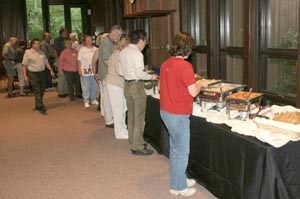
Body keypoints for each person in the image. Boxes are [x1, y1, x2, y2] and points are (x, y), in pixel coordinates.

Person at [159, 32, 208, 196]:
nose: (191, 51)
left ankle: (179, 178)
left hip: (166, 111)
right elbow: (193, 92)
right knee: (181, 150)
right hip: (178, 114)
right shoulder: (185, 66)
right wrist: (200, 83)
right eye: (191, 48)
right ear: (187, 49)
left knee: (175, 149)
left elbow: (163, 87)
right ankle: (178, 187)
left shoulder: (166, 63)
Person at [119, 30, 157, 155]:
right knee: (139, 117)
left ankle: (134, 140)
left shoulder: (123, 51)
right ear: (141, 40)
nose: (145, 45)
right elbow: (140, 74)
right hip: (136, 86)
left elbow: (119, 71)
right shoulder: (137, 54)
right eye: (145, 42)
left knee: (131, 115)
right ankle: (137, 146)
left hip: (127, 85)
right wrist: (152, 77)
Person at [92, 25, 122, 128]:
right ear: (113, 32)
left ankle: (109, 118)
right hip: (107, 74)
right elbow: (106, 62)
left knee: (107, 97)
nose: (119, 38)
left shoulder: (108, 42)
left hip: (107, 74)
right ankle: (109, 121)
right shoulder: (107, 43)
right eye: (118, 35)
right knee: (108, 98)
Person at [22, 38, 54, 115]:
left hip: (42, 73)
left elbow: (46, 62)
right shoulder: (28, 53)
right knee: (37, 90)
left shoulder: (41, 53)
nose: (37, 45)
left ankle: (37, 105)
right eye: (35, 44)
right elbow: (24, 65)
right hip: (32, 73)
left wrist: (51, 70)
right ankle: (41, 107)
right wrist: (25, 75)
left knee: (42, 90)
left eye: (38, 43)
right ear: (32, 45)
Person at [106, 38, 129, 139]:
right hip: (115, 84)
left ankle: (123, 129)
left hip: (118, 84)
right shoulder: (117, 55)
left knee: (123, 108)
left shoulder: (119, 54)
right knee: (118, 109)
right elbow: (119, 71)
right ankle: (119, 132)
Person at [77, 35, 98, 108]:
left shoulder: (96, 49)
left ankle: (93, 99)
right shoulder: (82, 50)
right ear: (85, 42)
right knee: (85, 86)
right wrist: (79, 69)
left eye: (90, 40)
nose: (89, 42)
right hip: (85, 70)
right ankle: (86, 100)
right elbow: (79, 60)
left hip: (94, 70)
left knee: (94, 85)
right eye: (87, 40)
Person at [54, 27, 69, 98]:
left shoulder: (67, 40)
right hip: (60, 58)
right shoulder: (57, 40)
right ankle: (60, 92)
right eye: (66, 32)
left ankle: (65, 91)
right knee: (61, 75)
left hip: (67, 59)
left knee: (66, 75)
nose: (67, 33)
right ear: (62, 32)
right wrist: (57, 59)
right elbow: (55, 49)